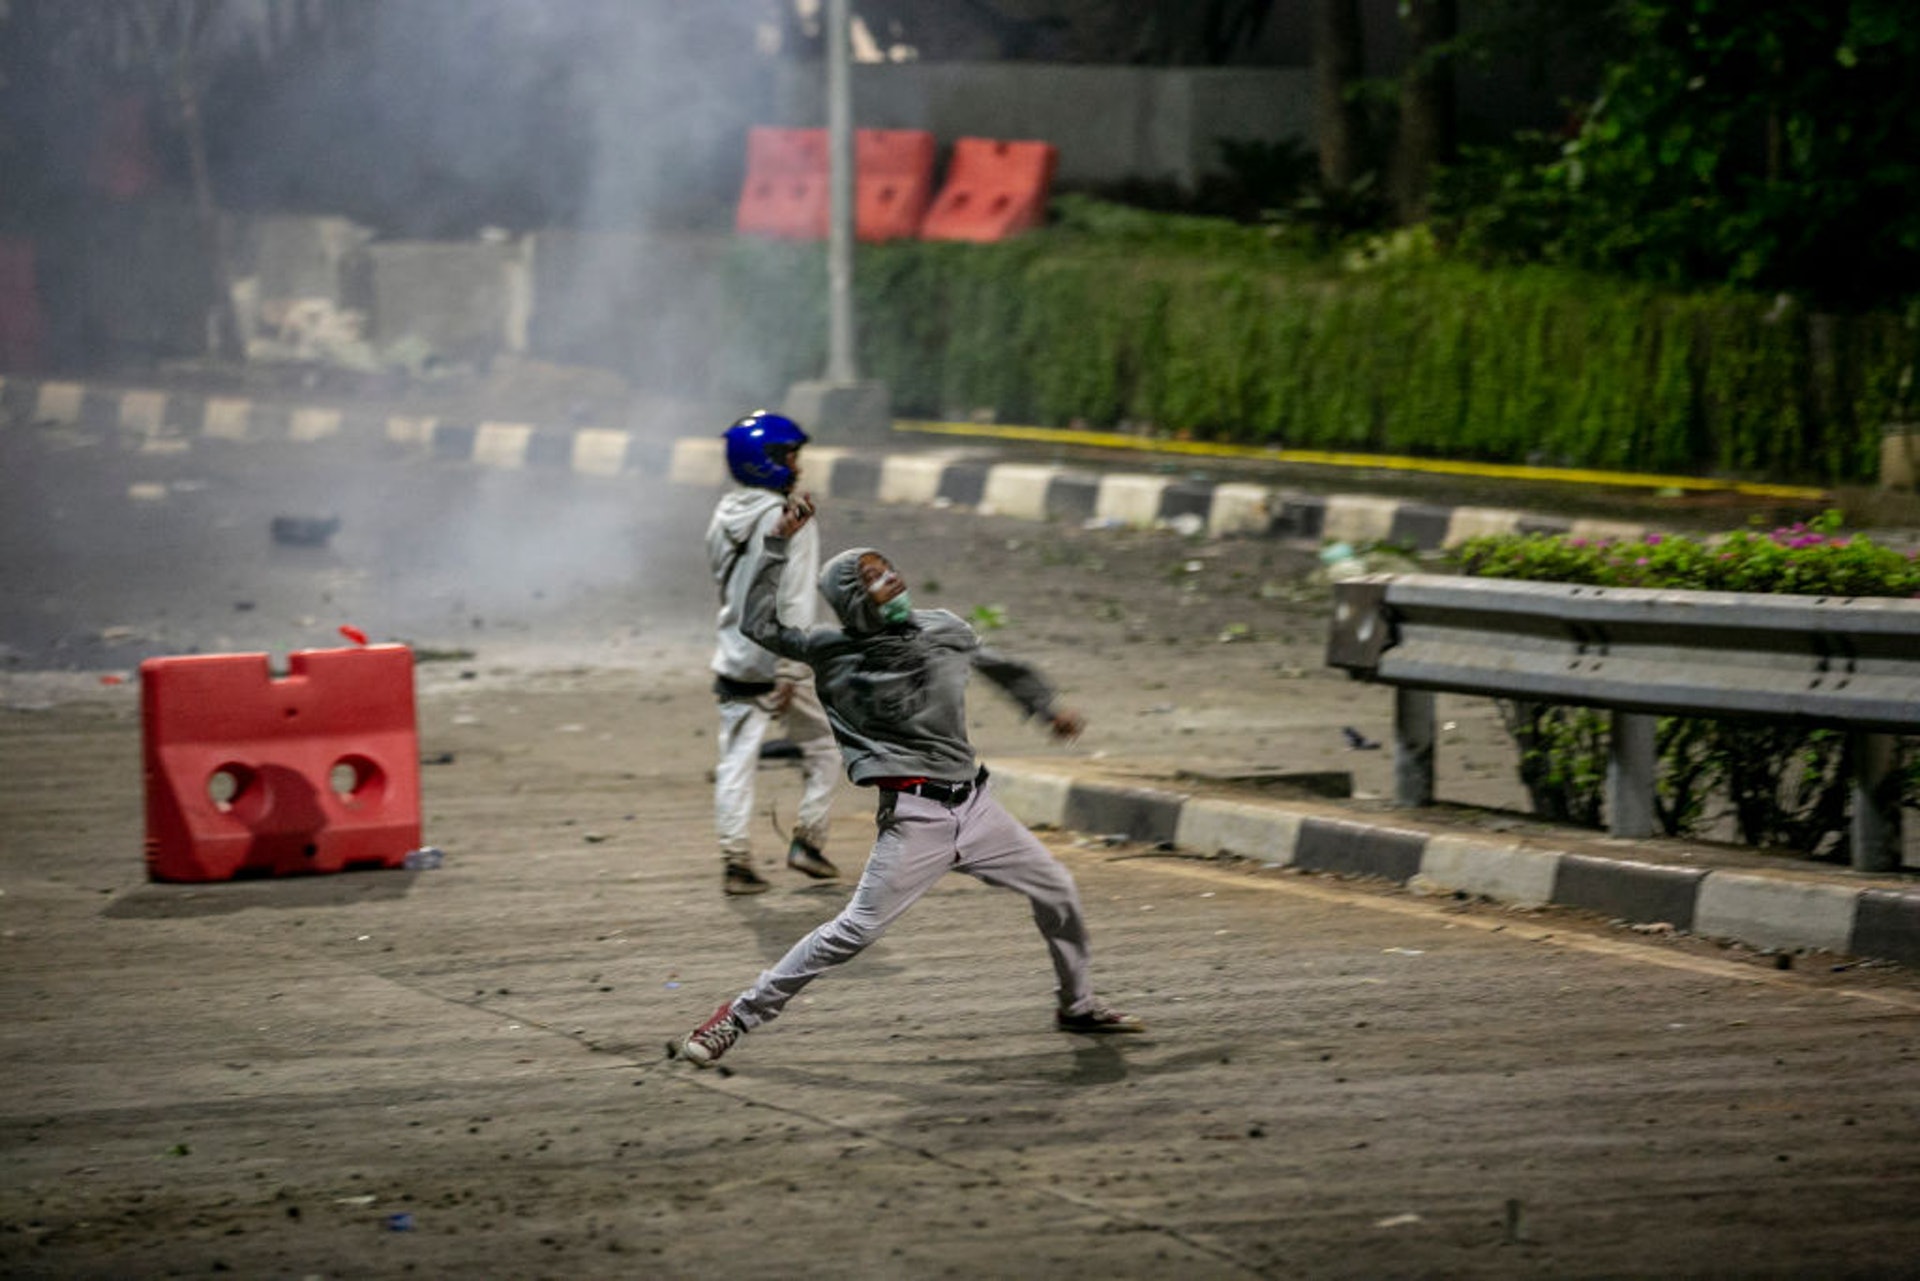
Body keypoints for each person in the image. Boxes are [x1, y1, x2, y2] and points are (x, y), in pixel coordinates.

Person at [671, 491, 1144, 1067]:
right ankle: (739, 1016)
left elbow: (1005, 667)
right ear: (851, 599)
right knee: (853, 932)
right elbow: (758, 622)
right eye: (873, 577)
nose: (891, 579)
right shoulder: (830, 649)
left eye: (890, 568)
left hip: (976, 807)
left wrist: (1046, 709)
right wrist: (778, 544)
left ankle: (1077, 1005)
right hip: (916, 818)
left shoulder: (942, 630)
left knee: (1059, 893)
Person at [705, 410, 842, 896]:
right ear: (766, 462)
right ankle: (807, 839)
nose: (797, 466)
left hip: (733, 655)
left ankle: (736, 862)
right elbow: (795, 598)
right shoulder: (791, 519)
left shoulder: (722, 518)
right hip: (779, 658)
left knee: (737, 760)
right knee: (827, 746)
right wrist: (789, 668)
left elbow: (728, 589)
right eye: (790, 456)